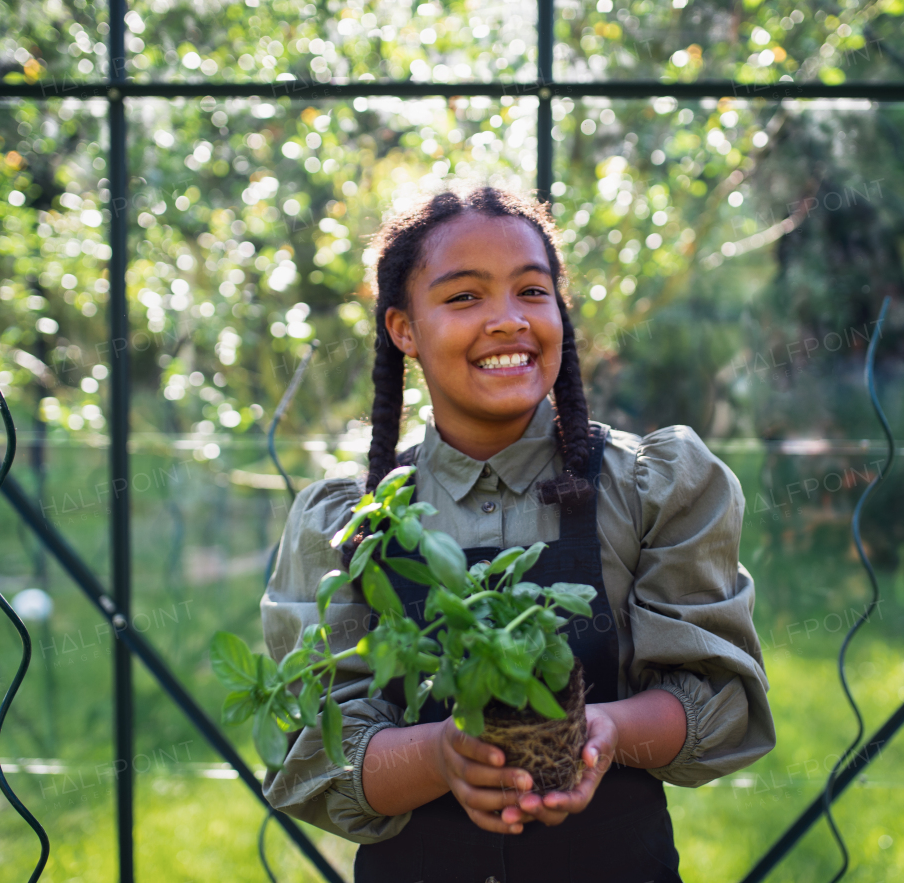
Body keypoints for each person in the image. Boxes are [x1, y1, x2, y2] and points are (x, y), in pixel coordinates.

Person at [260, 185, 775, 883]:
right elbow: (319, 752)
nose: (508, 320)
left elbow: (715, 697)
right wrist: (443, 753)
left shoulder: (651, 486)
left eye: (532, 291)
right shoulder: (353, 520)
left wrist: (610, 731)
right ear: (404, 329)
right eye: (464, 297)